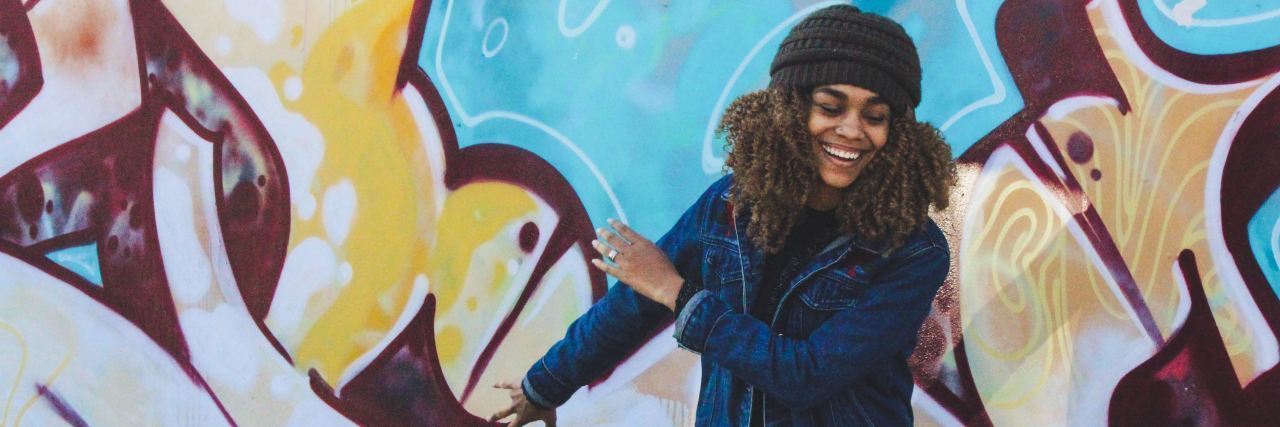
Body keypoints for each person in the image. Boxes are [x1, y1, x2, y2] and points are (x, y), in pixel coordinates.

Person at [490, 4, 956, 426]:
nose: (852, 130)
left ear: (898, 133)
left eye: (875, 116)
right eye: (830, 107)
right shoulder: (732, 206)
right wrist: (545, 386)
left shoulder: (913, 250)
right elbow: (633, 304)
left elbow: (807, 374)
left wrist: (677, 293)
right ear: (791, 109)